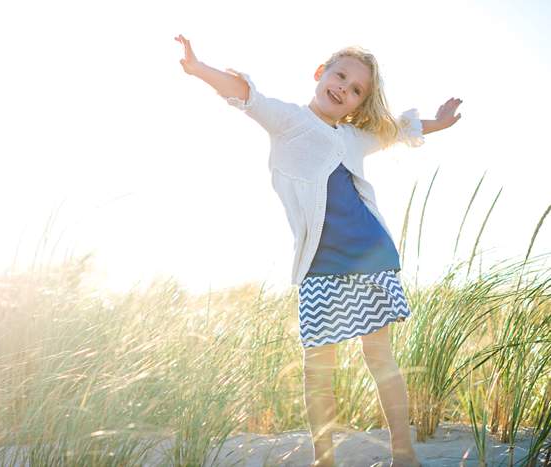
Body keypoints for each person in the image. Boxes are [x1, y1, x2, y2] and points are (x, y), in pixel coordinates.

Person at [175, 34, 462, 467]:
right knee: (317, 367)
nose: (343, 87)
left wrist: (438, 122)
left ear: (357, 105)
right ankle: (323, 459)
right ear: (320, 74)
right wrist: (199, 69)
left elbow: (397, 132)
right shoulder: (288, 120)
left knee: (378, 353)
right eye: (340, 75)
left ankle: (404, 455)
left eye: (356, 89)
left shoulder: (353, 138)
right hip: (320, 264)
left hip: (370, 254)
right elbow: (246, 96)